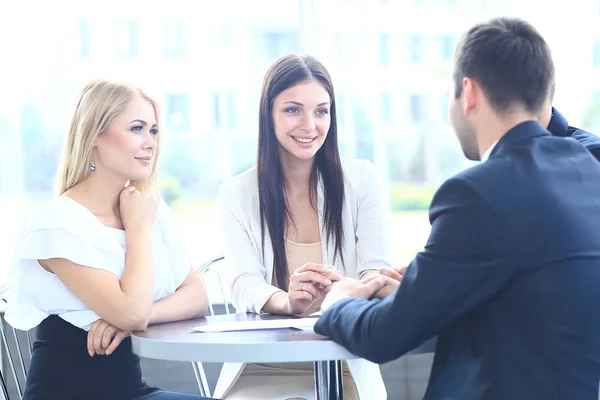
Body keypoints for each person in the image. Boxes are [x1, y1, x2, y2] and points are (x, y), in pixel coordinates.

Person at [314, 17, 600, 399]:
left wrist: (338, 301)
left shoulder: (476, 194)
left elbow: (383, 337)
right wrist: (428, 288)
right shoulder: (588, 170)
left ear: (468, 93)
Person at [4, 79, 212, 400]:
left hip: (131, 391)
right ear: (94, 135)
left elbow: (197, 297)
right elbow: (131, 312)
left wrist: (128, 322)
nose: (151, 143)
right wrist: (138, 228)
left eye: (154, 131)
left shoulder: (146, 207)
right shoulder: (56, 223)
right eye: (137, 129)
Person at [215, 54, 389, 399]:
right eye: (293, 110)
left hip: (343, 360)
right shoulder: (236, 193)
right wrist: (287, 301)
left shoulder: (361, 179)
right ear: (269, 114)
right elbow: (242, 282)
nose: (310, 125)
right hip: (262, 367)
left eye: (321, 111)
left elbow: (375, 270)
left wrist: (351, 289)